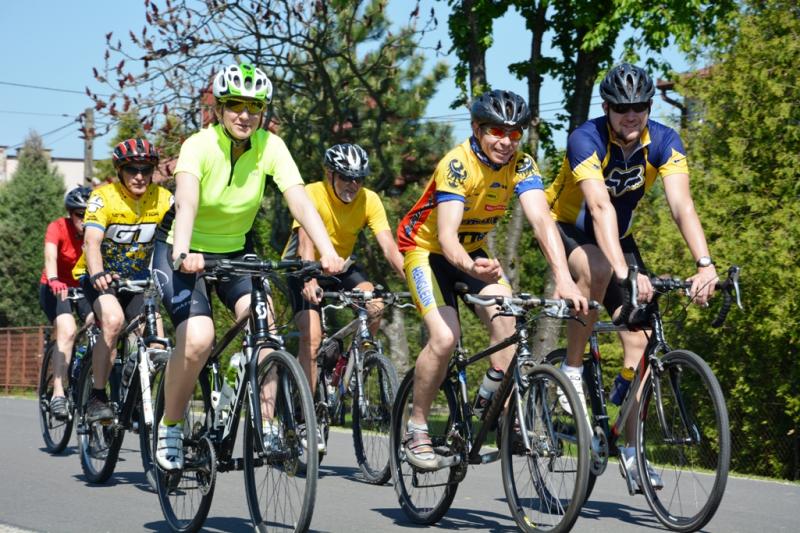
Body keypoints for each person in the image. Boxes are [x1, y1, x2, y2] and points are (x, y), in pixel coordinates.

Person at [152, 62, 345, 471]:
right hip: (180, 250)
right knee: (199, 338)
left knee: (266, 332)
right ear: (219, 108)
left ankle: (266, 422)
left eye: (254, 107)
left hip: (235, 251)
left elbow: (300, 200)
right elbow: (186, 203)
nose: (245, 114)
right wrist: (183, 252)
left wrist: (327, 252)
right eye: (236, 105)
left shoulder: (270, 146)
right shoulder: (198, 146)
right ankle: (170, 425)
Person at [545, 63, 718, 490]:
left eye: (639, 106)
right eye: (622, 108)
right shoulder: (585, 138)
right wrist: (626, 273)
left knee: (642, 345)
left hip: (618, 237)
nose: (631, 115)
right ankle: (571, 369)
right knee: (600, 269)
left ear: (649, 106)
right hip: (568, 228)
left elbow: (682, 206)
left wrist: (704, 263)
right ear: (607, 108)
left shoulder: (664, 141)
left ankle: (629, 445)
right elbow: (599, 207)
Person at [397, 89, 587, 470]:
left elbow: (542, 221)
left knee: (509, 324)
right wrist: (471, 268)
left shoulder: (522, 165)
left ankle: (492, 403)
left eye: (514, 134)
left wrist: (564, 277)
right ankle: (416, 427)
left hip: (473, 253)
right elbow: (447, 237)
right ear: (477, 129)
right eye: (496, 132)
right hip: (427, 251)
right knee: (445, 337)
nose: (506, 142)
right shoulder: (457, 165)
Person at [282, 142, 406, 452]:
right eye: (346, 178)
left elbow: (389, 248)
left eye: (358, 179)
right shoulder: (312, 193)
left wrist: (417, 283)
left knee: (375, 306)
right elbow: (305, 242)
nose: (353, 185)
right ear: (330, 175)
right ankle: (304, 417)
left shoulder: (369, 200)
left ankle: (351, 368)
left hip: (340, 266)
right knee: (312, 338)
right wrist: (309, 278)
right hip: (303, 266)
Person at [73, 138, 173, 423]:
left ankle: (137, 388)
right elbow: (91, 242)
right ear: (120, 171)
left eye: (146, 169)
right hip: (100, 277)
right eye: (132, 169)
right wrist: (98, 273)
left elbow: (178, 238)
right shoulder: (103, 197)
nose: (139, 176)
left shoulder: (164, 199)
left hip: (138, 281)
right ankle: (98, 396)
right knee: (113, 321)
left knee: (157, 343)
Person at [38, 186, 94, 419]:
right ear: (71, 214)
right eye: (80, 215)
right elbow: (50, 255)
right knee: (68, 329)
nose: (84, 220)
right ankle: (58, 394)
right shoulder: (58, 227)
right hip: (55, 288)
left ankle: (84, 366)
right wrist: (53, 278)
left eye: (89, 214)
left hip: (82, 288)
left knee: (99, 323)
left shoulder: (97, 231)